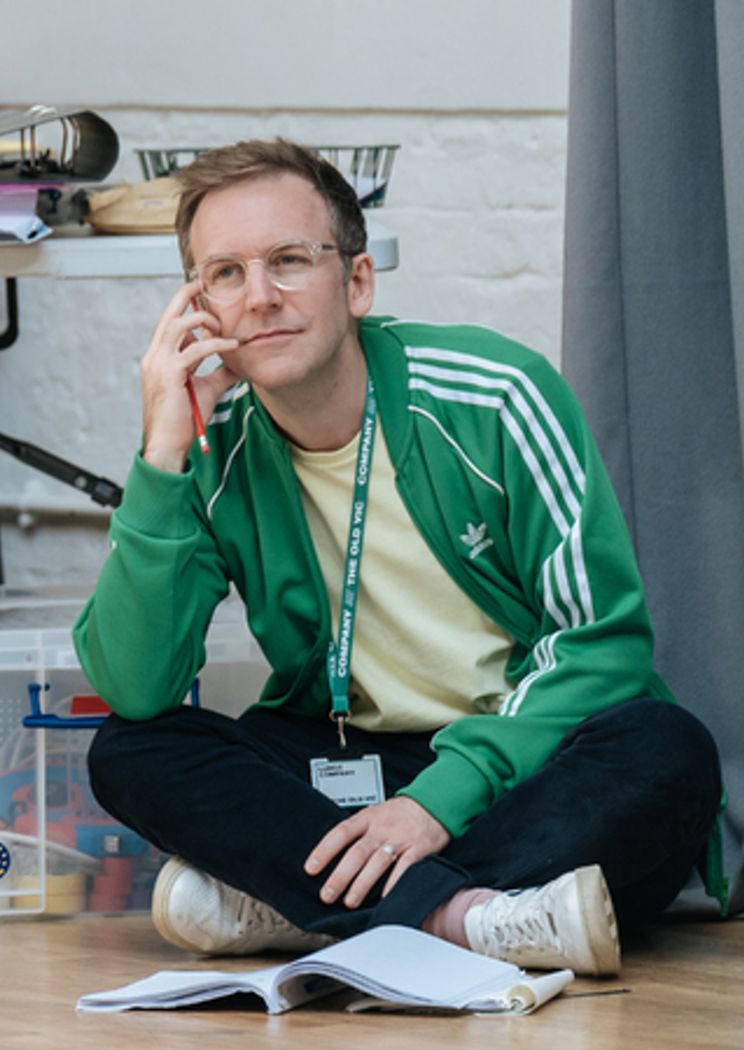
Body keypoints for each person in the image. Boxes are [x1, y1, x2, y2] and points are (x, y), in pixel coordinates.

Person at [72, 138, 726, 977]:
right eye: (225, 274)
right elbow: (136, 683)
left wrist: (436, 805)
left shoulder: (495, 395)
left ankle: (303, 906)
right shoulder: (210, 449)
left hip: (524, 757)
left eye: (289, 260)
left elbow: (602, 644)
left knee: (665, 748)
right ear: (196, 307)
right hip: (352, 761)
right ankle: (470, 918)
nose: (260, 296)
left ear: (357, 281)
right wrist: (162, 451)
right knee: (129, 748)